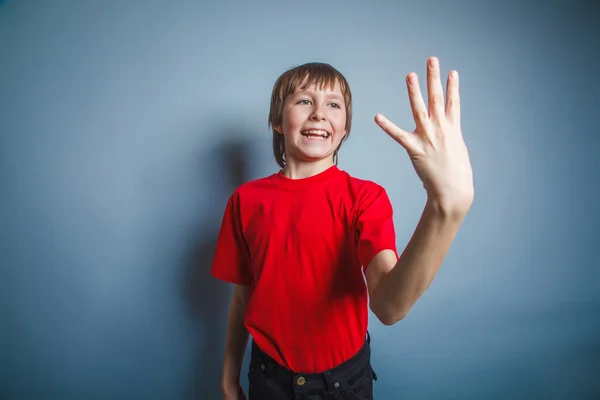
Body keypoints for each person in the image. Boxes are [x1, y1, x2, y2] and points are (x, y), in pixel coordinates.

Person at [210, 57, 474, 400]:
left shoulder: (366, 198)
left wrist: (444, 209)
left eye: (333, 104)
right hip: (267, 376)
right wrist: (229, 379)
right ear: (277, 120)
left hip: (341, 384)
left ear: (345, 126)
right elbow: (243, 295)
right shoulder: (245, 200)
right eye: (304, 100)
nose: (319, 112)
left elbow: (390, 307)